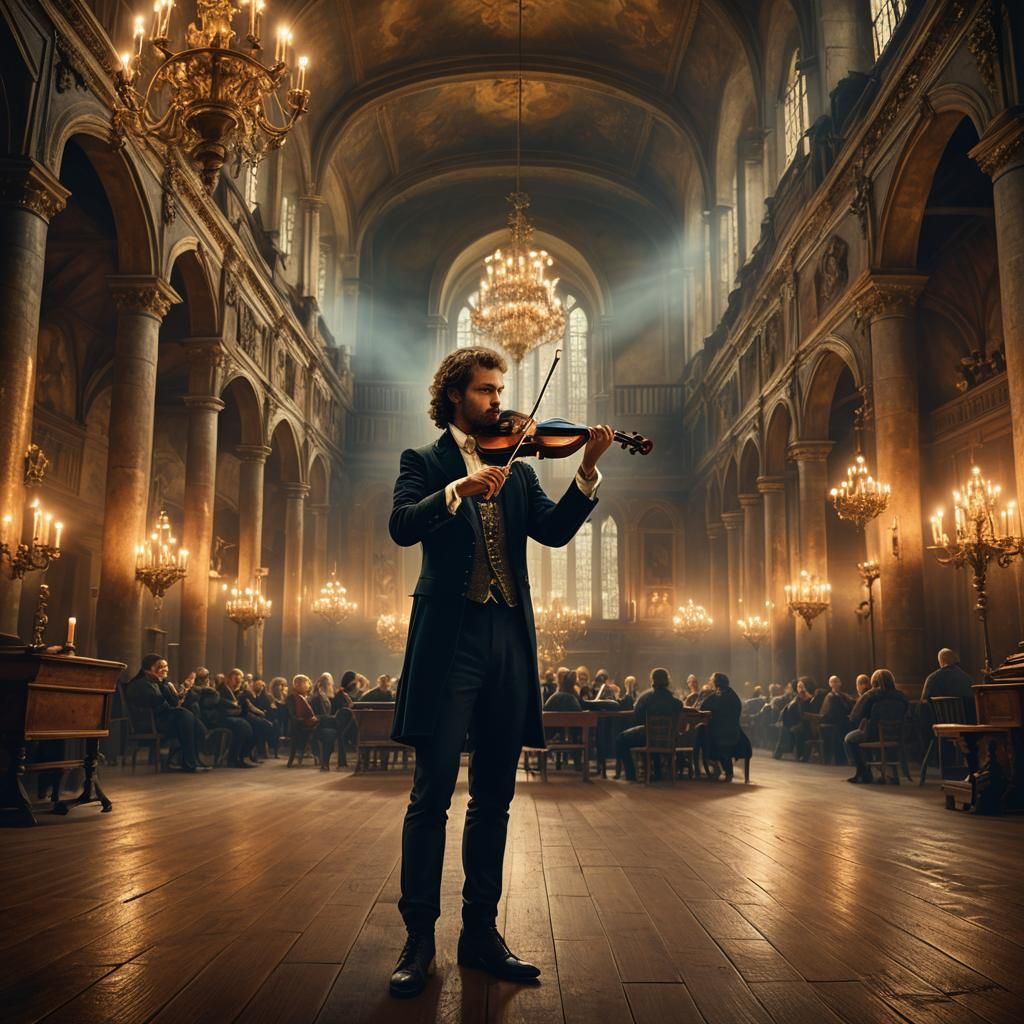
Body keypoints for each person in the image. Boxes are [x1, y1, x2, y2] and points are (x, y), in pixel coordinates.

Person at [387, 345, 614, 998]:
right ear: (456, 395)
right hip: (448, 640)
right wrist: (457, 490)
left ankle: (480, 934)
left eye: (500, 390)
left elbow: (553, 532)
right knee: (431, 796)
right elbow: (402, 526)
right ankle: (418, 939)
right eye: (486, 390)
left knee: (496, 795)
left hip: (507, 639)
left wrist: (588, 472)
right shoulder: (423, 463)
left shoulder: (517, 467)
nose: (497, 401)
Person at [126, 654, 208, 771]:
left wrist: (167, 686)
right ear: (150, 668)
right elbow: (161, 705)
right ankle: (189, 762)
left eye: (166, 666)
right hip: (150, 723)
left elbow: (172, 703)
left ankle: (192, 761)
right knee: (184, 716)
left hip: (160, 719)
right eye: (161, 666)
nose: (166, 669)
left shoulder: (157, 682)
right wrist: (164, 687)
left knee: (193, 722)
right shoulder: (141, 684)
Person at [614, 667, 683, 782]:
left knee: (620, 739)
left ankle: (631, 775)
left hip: (647, 737)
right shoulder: (676, 702)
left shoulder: (645, 698)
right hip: (669, 739)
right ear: (668, 680)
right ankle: (658, 773)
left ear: (652, 680)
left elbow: (636, 719)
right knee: (652, 737)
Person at [844, 668, 908, 783]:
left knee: (850, 739)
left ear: (874, 681)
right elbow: (907, 715)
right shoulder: (901, 696)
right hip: (896, 735)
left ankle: (863, 772)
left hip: (873, 734)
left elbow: (855, 717)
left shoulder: (870, 695)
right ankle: (893, 775)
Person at [692, 672, 745, 780]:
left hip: (726, 732)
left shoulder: (723, 695)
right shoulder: (725, 693)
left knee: (700, 733)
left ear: (716, 682)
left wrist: (702, 696)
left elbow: (704, 706)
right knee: (702, 731)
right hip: (728, 729)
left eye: (711, 680)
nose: (710, 682)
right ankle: (713, 765)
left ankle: (713, 766)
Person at [215, 670, 258, 768]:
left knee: (258, 725)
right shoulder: (221, 690)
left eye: (240, 681)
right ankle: (234, 758)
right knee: (243, 725)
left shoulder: (237, 691)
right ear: (229, 679)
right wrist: (234, 710)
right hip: (223, 718)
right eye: (236, 680)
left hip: (234, 716)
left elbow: (246, 704)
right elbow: (220, 707)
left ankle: (244, 755)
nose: (238, 683)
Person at [921, 649, 976, 724]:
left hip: (941, 728)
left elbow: (923, 705)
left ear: (941, 661)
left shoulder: (932, 678)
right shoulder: (968, 679)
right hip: (968, 727)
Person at [820, 675, 853, 764]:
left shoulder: (844, 695)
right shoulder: (830, 696)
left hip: (844, 720)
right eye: (833, 682)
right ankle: (840, 759)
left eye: (837, 681)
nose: (835, 683)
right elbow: (828, 711)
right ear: (830, 684)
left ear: (840, 683)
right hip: (834, 721)